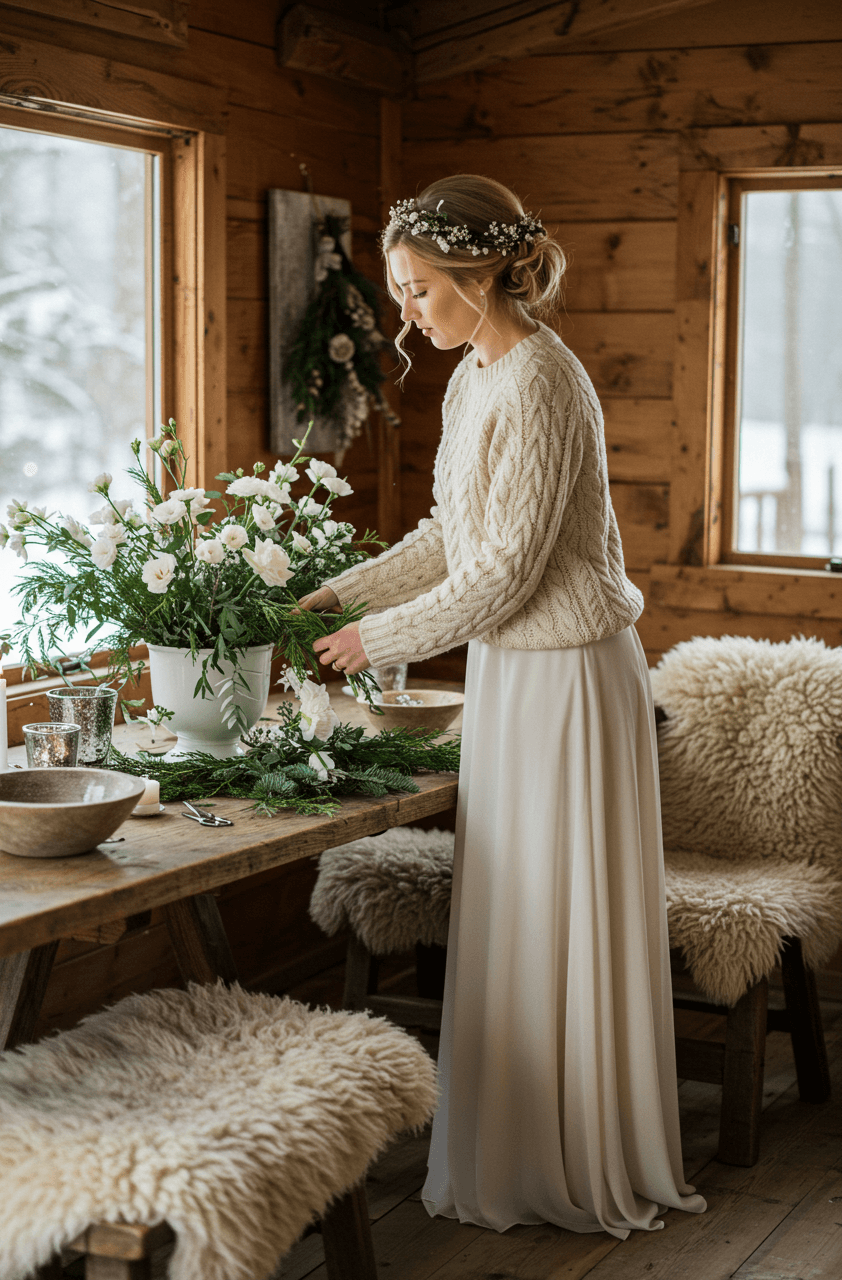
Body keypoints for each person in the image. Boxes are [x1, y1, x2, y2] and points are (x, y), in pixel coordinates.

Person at [297, 174, 706, 1238]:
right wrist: (339, 590)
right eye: (398, 293)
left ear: (478, 278)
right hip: (513, 672)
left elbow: (509, 572)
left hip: (569, 675)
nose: (406, 314)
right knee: (516, 907)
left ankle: (570, 1152)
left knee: (557, 905)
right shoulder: (472, 378)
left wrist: (368, 641)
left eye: (419, 290)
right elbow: (447, 538)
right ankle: (516, 1142)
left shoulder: (542, 382)